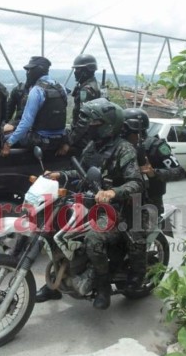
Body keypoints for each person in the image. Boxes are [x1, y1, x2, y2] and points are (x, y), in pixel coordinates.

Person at [36, 98, 144, 310]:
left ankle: (103, 287)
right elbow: (81, 173)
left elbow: (136, 182)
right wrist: (59, 174)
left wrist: (112, 192)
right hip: (85, 202)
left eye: (95, 125)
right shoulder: (93, 146)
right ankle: (55, 283)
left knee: (93, 239)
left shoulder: (124, 149)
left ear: (108, 125)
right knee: (53, 229)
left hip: (114, 210)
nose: (90, 129)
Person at [122, 108, 185, 215]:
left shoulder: (156, 146)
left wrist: (154, 173)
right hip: (124, 198)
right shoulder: (121, 145)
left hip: (150, 200)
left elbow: (179, 172)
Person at [0, 56, 67, 156]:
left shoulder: (37, 90)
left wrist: (8, 143)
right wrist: (66, 141)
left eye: (30, 70)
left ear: (38, 70)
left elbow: (26, 123)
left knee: (3, 137)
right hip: (60, 139)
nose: (28, 73)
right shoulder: (61, 88)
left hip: (40, 140)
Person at [57, 54, 102, 155]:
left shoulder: (87, 90)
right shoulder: (97, 86)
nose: (75, 73)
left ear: (85, 71)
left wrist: (69, 142)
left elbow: (84, 120)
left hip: (85, 138)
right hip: (94, 135)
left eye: (77, 70)